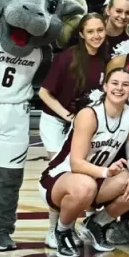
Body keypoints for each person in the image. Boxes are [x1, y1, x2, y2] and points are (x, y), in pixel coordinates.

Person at [41, 69, 129, 257]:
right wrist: (105, 172)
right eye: (114, 83)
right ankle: (62, 231)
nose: (119, 88)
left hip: (96, 181)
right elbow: (76, 163)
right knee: (85, 185)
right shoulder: (89, 115)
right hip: (60, 178)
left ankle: (96, 224)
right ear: (105, 86)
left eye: (125, 84)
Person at [38, 12, 107, 157]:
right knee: (57, 170)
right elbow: (43, 93)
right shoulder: (66, 58)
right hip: (56, 120)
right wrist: (69, 117)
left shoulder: (106, 59)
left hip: (83, 123)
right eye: (90, 31)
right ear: (82, 34)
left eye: (100, 30)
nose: (96, 35)